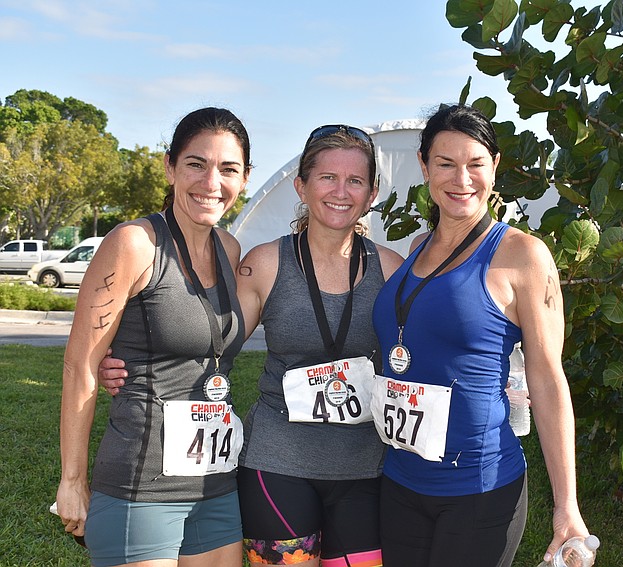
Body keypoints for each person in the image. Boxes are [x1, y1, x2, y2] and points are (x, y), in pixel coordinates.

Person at [99, 124, 403, 567]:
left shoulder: (390, 268)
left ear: (371, 192)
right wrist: (125, 361)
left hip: (363, 466)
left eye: (355, 180)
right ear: (301, 184)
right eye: (327, 177)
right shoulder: (263, 263)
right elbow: (211, 344)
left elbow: (413, 356)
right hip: (277, 464)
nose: (341, 191)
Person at [370, 104, 590, 567]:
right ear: (424, 166)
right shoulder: (416, 249)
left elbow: (549, 381)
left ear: (495, 167)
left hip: (479, 488)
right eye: (446, 164)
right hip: (401, 482)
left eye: (475, 164)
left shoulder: (522, 256)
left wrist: (566, 503)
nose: (461, 179)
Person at [56, 107, 251, 567]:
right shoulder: (134, 243)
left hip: (216, 480)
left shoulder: (229, 249)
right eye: (196, 164)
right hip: (141, 485)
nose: (211, 182)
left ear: (243, 178)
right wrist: (72, 480)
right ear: (170, 166)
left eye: (228, 169)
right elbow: (80, 365)